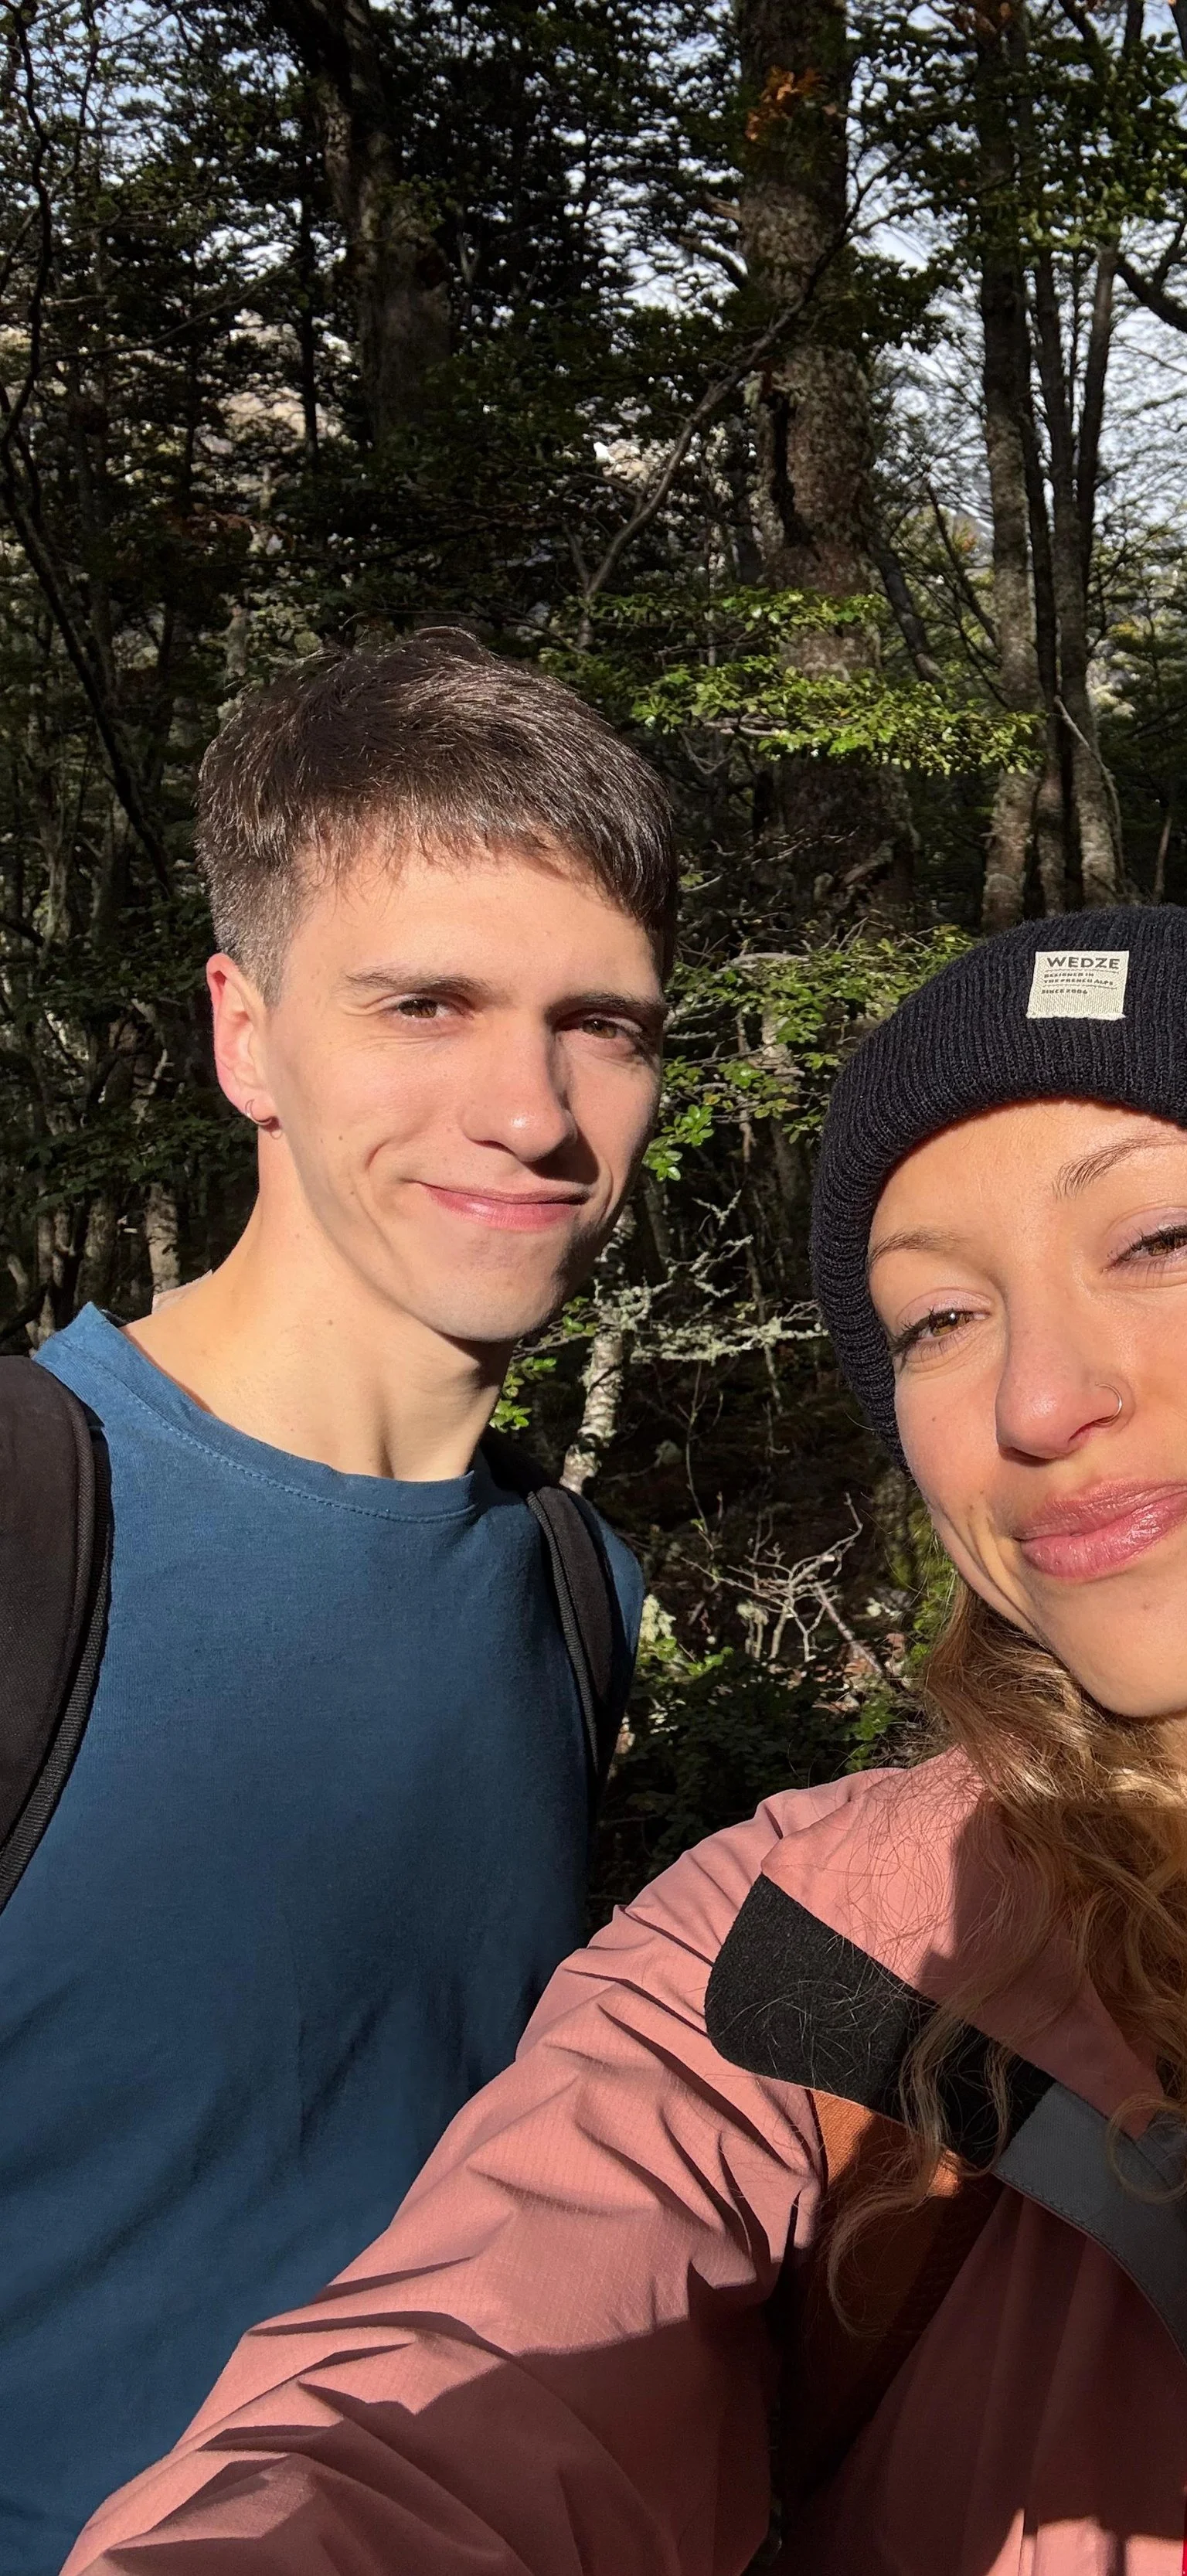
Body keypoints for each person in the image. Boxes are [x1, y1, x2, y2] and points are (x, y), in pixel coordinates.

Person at [63, 913, 1187, 2574]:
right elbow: (452, 2396)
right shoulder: (804, 1951)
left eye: (1164, 1236)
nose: (1038, 1399)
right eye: (939, 1318)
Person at [0, 635, 667, 2572]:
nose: (529, 1110)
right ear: (245, 1033)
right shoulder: (39, 1520)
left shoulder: (570, 1585)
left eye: (598, 1023)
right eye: (425, 1003)